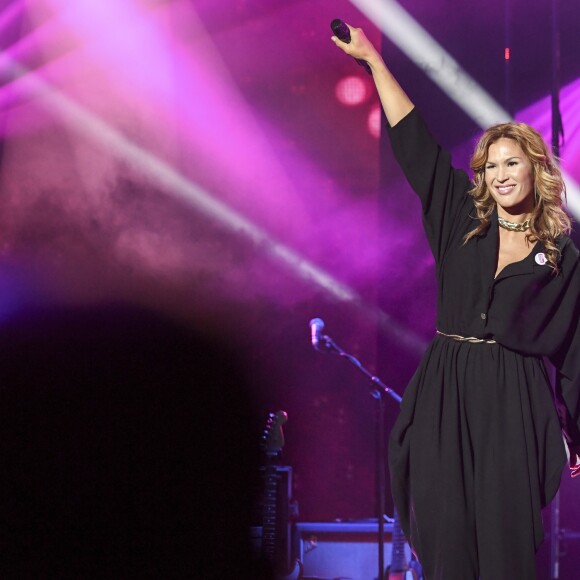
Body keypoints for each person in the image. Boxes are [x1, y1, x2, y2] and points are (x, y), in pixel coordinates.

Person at [332, 24, 580, 580]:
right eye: (490, 166)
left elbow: (573, 350)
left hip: (513, 398)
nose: (499, 175)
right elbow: (414, 141)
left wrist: (576, 429)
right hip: (447, 386)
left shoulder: (560, 254)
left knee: (505, 546)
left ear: (536, 169)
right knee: (446, 538)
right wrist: (373, 58)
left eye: (510, 163)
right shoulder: (459, 222)